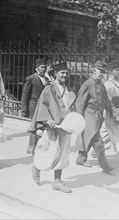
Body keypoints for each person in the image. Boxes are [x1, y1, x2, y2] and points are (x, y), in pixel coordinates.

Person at [28, 62, 76, 193]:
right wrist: (47, 119)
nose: (65, 75)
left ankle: (57, 181)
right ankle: (36, 168)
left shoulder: (69, 90)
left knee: (62, 154)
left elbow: (71, 106)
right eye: (62, 73)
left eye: (66, 73)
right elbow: (43, 105)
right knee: (48, 151)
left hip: (65, 127)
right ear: (56, 74)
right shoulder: (49, 89)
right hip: (52, 127)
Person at [74, 62, 118, 173]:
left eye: (103, 72)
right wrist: (79, 119)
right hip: (89, 116)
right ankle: (105, 166)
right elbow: (80, 103)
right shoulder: (87, 84)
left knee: (88, 138)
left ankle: (80, 159)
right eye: (100, 71)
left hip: (97, 117)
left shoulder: (101, 85)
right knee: (98, 141)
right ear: (94, 71)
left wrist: (113, 113)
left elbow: (107, 102)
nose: (102, 74)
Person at [21, 58, 49, 155]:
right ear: (37, 68)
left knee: (40, 127)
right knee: (35, 127)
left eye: (45, 67)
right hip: (33, 106)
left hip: (43, 107)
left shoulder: (47, 79)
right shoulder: (31, 78)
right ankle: (32, 147)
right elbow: (25, 94)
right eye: (41, 67)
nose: (43, 69)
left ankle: (33, 147)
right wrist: (24, 109)